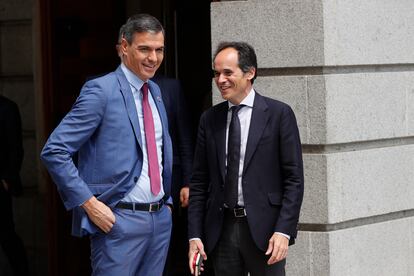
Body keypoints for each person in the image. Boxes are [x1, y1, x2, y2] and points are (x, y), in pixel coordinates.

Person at [41, 14, 173, 276]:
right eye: (144, 49)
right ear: (124, 47)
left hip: (159, 220)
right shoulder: (100, 90)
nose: (153, 58)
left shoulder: (155, 91)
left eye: (159, 50)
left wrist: (166, 205)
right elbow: (54, 150)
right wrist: (89, 204)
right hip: (118, 222)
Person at [188, 41, 304, 276]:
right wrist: (195, 235)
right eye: (216, 73)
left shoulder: (279, 114)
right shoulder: (209, 119)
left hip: (266, 231)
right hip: (221, 231)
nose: (220, 79)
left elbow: (294, 179)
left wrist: (283, 230)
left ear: (250, 72)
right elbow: (199, 183)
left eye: (228, 72)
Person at [0, 95, 29, 275]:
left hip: (0, 185)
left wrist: (7, 180)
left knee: (6, 235)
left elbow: (16, 148)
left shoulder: (7, 108)